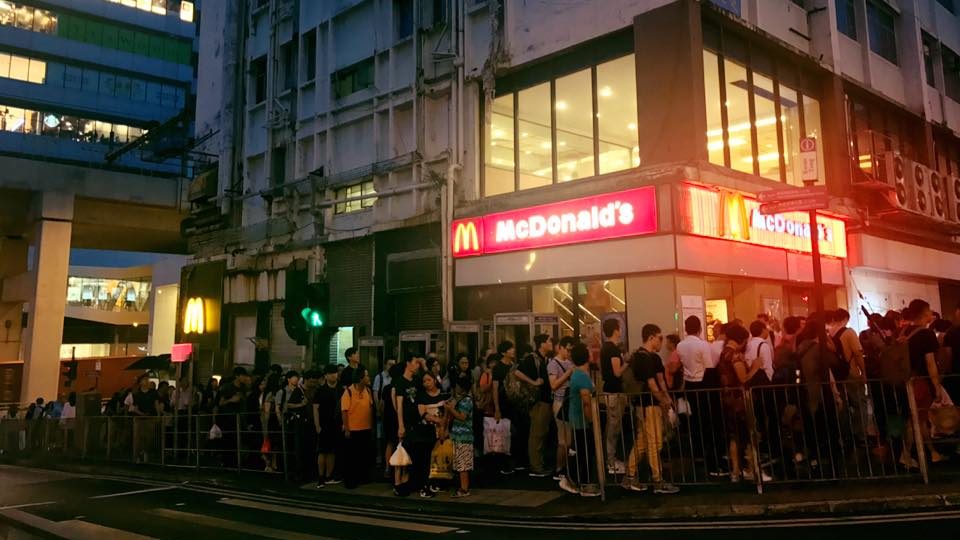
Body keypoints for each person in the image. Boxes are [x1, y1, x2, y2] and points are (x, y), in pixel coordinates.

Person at [621, 324, 679, 494]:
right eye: (660, 338)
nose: (661, 342)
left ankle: (630, 475)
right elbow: (654, 383)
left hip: (647, 404)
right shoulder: (644, 358)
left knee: (643, 441)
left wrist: (666, 400)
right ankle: (657, 479)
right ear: (651, 337)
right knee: (654, 442)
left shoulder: (648, 357)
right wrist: (665, 400)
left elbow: (660, 382)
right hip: (647, 404)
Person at [717, 324, 770, 482]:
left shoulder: (723, 354)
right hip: (739, 399)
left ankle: (735, 471)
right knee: (749, 433)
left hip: (727, 399)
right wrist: (755, 367)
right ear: (741, 340)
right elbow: (743, 378)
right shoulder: (735, 356)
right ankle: (752, 469)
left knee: (734, 436)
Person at [901, 299, 946, 466]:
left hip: (906, 381)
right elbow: (930, 362)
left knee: (916, 419)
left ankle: (930, 452)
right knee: (917, 421)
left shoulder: (904, 331)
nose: (931, 313)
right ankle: (906, 456)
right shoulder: (926, 334)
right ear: (924, 313)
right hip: (920, 382)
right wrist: (936, 386)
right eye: (929, 310)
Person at [561, 343, 600, 497]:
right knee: (584, 452)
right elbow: (586, 401)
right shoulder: (582, 376)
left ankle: (576, 480)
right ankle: (581, 483)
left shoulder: (578, 374)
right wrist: (591, 420)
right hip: (581, 420)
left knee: (581, 450)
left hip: (576, 419)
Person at [410, 371, 446, 498]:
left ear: (434, 380)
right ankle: (424, 486)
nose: (426, 383)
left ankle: (434, 482)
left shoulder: (442, 395)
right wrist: (437, 420)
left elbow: (446, 412)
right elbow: (422, 414)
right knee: (425, 459)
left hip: (440, 430)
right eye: (424, 381)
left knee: (438, 458)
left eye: (429, 380)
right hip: (425, 431)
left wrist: (443, 426)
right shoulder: (421, 396)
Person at [522, 334, 553, 478]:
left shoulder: (545, 359)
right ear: (542, 344)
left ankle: (539, 463)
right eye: (548, 341)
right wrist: (534, 382)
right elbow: (517, 372)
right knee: (537, 434)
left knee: (542, 433)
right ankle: (536, 466)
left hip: (546, 401)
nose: (551, 343)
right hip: (538, 402)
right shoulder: (532, 358)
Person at [599, 318, 626, 474]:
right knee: (613, 427)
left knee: (611, 426)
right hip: (614, 391)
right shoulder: (613, 350)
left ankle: (610, 459)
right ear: (616, 330)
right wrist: (627, 362)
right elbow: (617, 372)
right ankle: (611, 461)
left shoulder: (605, 348)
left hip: (609, 390)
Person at [393, 354, 423, 496]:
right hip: (405, 422)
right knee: (401, 453)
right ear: (408, 364)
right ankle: (397, 483)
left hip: (415, 422)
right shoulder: (400, 382)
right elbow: (399, 405)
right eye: (415, 362)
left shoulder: (416, 380)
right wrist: (401, 425)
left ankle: (406, 483)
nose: (417, 365)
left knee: (410, 454)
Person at [341, 366, 375, 489]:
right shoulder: (348, 392)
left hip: (365, 428)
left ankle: (362, 478)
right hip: (353, 429)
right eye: (366, 375)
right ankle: (350, 481)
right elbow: (344, 411)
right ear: (360, 378)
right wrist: (347, 428)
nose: (368, 377)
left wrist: (371, 426)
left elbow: (370, 408)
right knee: (351, 457)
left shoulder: (368, 390)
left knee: (363, 455)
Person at [548, 336, 575, 480]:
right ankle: (559, 469)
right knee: (563, 440)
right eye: (568, 349)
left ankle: (563, 467)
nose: (569, 353)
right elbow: (553, 385)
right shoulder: (553, 364)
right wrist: (567, 374)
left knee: (568, 439)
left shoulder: (570, 362)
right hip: (559, 402)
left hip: (569, 402)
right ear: (561, 348)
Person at [277, 370, 310, 479]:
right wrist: (280, 420)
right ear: (288, 379)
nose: (296, 379)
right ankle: (286, 469)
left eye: (297, 377)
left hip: (296, 421)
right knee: (288, 444)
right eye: (294, 377)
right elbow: (280, 407)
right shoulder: (282, 392)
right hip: (287, 420)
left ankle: (294, 469)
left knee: (295, 445)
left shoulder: (299, 390)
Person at [445, 373, 474, 498]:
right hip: (457, 436)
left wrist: (451, 409)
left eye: (457, 386)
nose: (455, 388)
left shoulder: (467, 400)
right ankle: (463, 487)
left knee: (463, 464)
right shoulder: (458, 399)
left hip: (464, 436)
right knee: (460, 463)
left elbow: (462, 417)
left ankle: (464, 488)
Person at [312, 365, 341, 486]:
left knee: (332, 451)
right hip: (324, 424)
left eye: (335, 373)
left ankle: (329, 476)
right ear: (326, 376)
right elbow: (315, 409)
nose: (333, 375)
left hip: (337, 424)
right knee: (322, 451)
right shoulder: (320, 390)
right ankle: (321, 476)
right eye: (330, 373)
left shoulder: (341, 389)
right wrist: (317, 425)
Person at [381, 362, 404, 481]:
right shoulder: (401, 387)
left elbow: (382, 405)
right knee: (399, 443)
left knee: (389, 443)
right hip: (398, 418)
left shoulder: (386, 388)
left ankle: (387, 468)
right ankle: (398, 468)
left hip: (388, 419)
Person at [678, 316, 713, 391]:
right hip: (702, 382)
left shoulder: (680, 345)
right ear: (700, 329)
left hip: (687, 382)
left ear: (686, 329)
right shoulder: (703, 344)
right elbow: (709, 366)